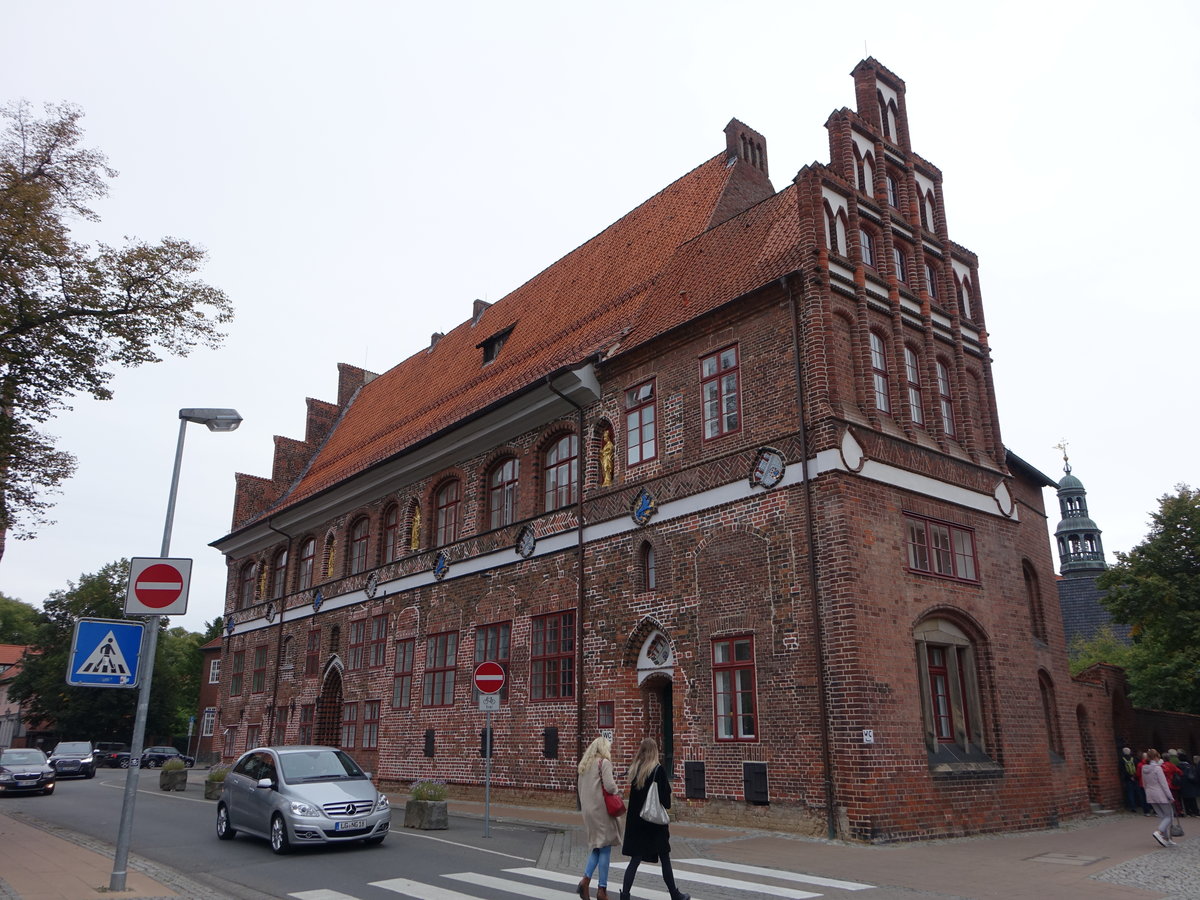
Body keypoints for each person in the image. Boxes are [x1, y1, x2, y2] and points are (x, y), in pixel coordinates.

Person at [619, 738, 689, 900]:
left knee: (635, 860)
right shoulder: (658, 771)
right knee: (665, 858)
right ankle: (674, 894)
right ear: (655, 751)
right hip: (654, 824)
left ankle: (625, 895)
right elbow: (666, 801)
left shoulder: (635, 770)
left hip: (637, 823)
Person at [577, 736, 622, 900]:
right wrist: (618, 790)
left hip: (588, 811)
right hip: (601, 811)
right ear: (603, 749)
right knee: (606, 848)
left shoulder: (584, 765)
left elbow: (580, 789)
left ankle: (585, 881)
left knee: (597, 847)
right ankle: (602, 889)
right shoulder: (604, 763)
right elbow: (610, 787)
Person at [1143, 748, 1177, 847]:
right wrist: (1170, 796)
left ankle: (1166, 838)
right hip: (1160, 794)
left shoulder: (1144, 769)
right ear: (1156, 757)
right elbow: (1164, 784)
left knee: (1162, 817)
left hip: (1150, 794)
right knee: (1169, 816)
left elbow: (1144, 784)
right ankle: (1160, 832)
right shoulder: (1157, 768)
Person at [1119, 747, 1139, 812]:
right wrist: (1134, 776)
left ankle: (1133, 807)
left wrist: (1129, 776)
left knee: (1130, 793)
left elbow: (1122, 770)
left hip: (1127, 778)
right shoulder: (1133, 759)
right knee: (1137, 791)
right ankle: (1140, 804)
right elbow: (1137, 767)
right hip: (1135, 777)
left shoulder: (1122, 759)